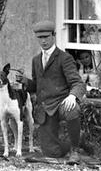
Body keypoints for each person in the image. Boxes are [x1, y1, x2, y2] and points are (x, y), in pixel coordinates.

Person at [16, 21, 86, 163]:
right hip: (45, 108)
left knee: (72, 109)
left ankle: (75, 149)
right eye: (40, 38)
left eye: (46, 37)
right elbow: (37, 86)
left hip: (61, 104)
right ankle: (80, 139)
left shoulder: (64, 58)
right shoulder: (36, 60)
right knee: (52, 153)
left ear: (54, 35)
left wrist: (72, 96)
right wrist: (24, 82)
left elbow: (78, 83)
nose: (43, 41)